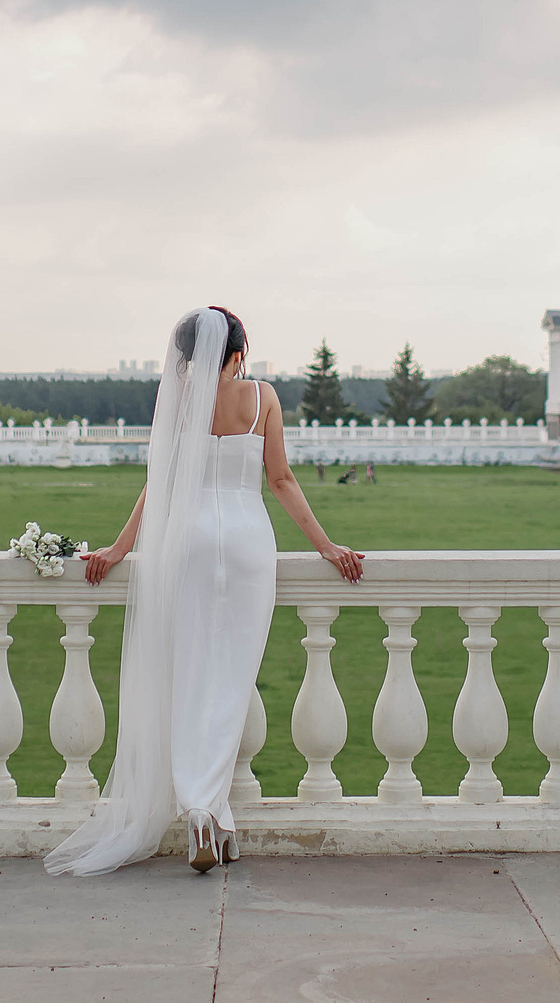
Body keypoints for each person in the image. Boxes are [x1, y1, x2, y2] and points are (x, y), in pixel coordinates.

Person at [46, 307, 362, 876]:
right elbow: (281, 479)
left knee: (189, 675)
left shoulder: (181, 402)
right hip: (247, 543)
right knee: (232, 682)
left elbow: (159, 484)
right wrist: (327, 547)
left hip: (188, 542)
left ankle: (205, 812)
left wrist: (119, 548)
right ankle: (207, 812)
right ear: (238, 352)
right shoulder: (263, 398)